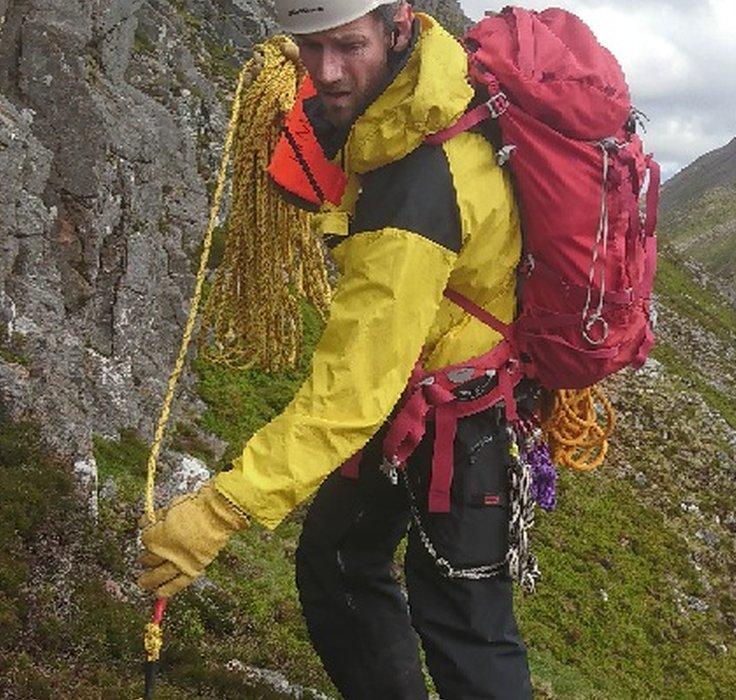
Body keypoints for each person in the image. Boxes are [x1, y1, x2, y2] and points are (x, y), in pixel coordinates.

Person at [137, 1, 534, 697]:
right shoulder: (419, 94)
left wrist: (220, 509)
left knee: (465, 623)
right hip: (420, 381)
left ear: (398, 26)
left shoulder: (417, 189)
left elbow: (351, 394)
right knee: (338, 561)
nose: (326, 72)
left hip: (458, 416)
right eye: (311, 48)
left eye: (348, 46)